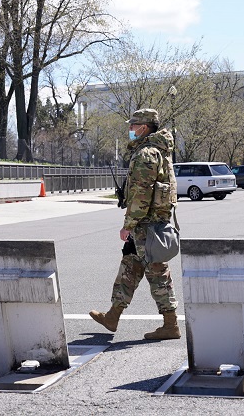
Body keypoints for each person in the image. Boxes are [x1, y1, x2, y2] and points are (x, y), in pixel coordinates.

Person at [89, 108, 180, 340]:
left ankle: (170, 325)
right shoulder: (160, 152)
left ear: (144, 127)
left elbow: (141, 193)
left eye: (133, 125)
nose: (130, 129)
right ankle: (113, 316)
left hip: (146, 226)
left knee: (157, 273)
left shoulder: (146, 154)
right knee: (130, 266)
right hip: (152, 223)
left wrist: (128, 224)